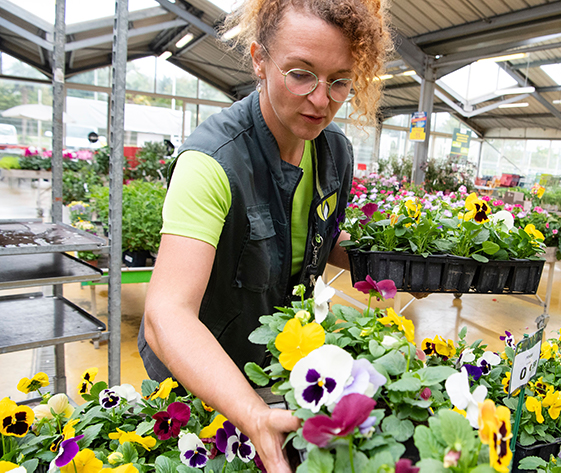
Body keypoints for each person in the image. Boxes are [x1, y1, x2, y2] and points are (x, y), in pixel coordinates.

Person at [138, 1, 390, 472]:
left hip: (274, 365)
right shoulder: (212, 161)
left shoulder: (334, 152)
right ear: (258, 59)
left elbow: (312, 240)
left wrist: (390, 266)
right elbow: (166, 314)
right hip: (201, 376)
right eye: (301, 74)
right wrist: (251, 412)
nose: (321, 99)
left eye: (339, 81)